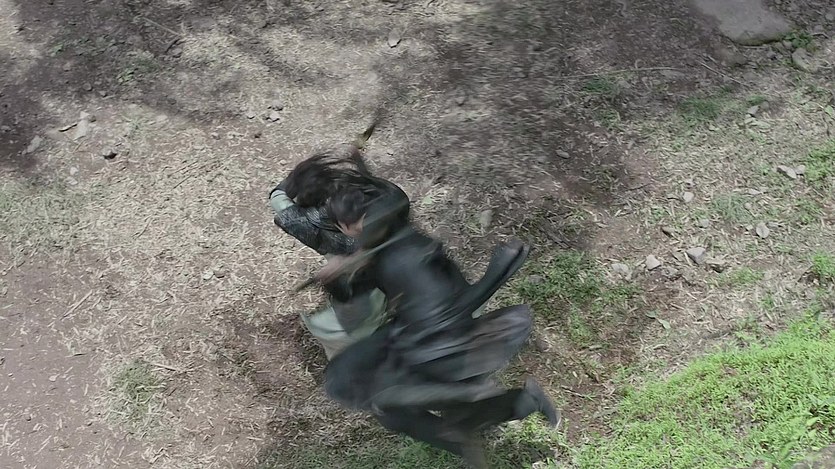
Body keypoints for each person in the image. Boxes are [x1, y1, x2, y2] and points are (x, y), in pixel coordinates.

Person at [317, 179, 560, 468]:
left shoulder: (406, 254)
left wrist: (495, 275)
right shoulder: (387, 247)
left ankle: (481, 408)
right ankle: (508, 409)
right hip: (424, 340)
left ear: (349, 224)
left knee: (385, 399)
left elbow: (449, 307)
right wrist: (337, 279)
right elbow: (357, 297)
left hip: (442, 346)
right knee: (395, 411)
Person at [269, 149, 392, 359]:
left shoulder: (301, 222)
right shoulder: (365, 207)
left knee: (344, 335)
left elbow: (277, 196)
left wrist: (301, 175)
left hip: (361, 298)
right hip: (379, 285)